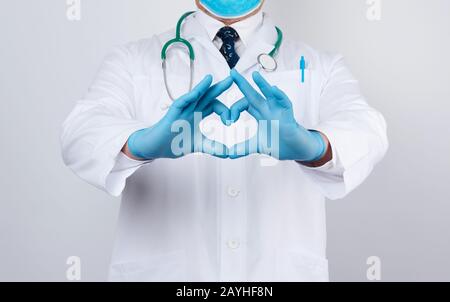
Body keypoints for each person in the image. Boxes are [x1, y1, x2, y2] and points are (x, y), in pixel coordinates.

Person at [61, 0, 388, 282]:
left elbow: (367, 129)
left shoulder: (319, 66)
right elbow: (81, 132)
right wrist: (139, 144)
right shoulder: (132, 61)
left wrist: (314, 146)